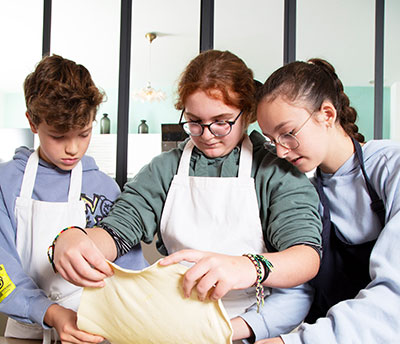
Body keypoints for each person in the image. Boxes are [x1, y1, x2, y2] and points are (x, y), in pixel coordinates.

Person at [53, 49, 322, 328]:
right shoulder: (164, 170)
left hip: (254, 324)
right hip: (178, 323)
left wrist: (246, 266)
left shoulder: (275, 172)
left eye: (221, 122)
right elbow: (118, 230)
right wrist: (78, 240)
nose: (207, 135)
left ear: (248, 113)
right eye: (194, 122)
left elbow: (305, 256)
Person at [220, 58, 400, 344]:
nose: (280, 151)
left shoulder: (391, 170)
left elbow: (395, 296)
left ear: (327, 115)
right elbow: (297, 290)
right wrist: (223, 330)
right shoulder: (302, 192)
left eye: (288, 133)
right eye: (272, 140)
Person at [0, 55, 146, 344]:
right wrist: (49, 312)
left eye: (84, 133)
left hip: (94, 331)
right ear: (32, 122)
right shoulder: (6, 182)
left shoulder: (103, 188)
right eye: (58, 136)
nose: (73, 148)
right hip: (25, 333)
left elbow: (130, 269)